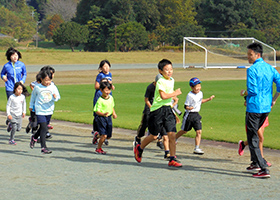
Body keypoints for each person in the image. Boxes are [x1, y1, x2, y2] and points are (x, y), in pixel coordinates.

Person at [240, 42, 280, 178]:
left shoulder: (251, 70)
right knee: (254, 135)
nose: (248, 57)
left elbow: (252, 90)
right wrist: (274, 99)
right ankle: (255, 162)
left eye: (250, 54)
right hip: (266, 107)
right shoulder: (270, 68)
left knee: (253, 138)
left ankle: (263, 168)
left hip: (254, 106)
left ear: (257, 55)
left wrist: (244, 93)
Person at [134, 59, 182, 167]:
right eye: (166, 70)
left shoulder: (172, 80)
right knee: (154, 136)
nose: (169, 72)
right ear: (160, 71)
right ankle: (139, 148)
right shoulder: (160, 81)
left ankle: (172, 159)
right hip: (157, 110)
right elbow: (163, 96)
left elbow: (168, 94)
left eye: (171, 69)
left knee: (172, 135)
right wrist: (175, 93)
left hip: (168, 109)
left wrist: (174, 97)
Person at [176, 77, 215, 155]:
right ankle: (174, 138)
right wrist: (189, 108)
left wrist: (208, 99)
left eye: (199, 86)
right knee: (185, 130)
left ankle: (197, 148)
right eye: (196, 87)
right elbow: (185, 106)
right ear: (192, 87)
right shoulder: (189, 95)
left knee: (199, 131)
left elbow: (200, 102)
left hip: (196, 114)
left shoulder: (200, 93)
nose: (198, 88)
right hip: (189, 114)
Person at [29, 68, 60, 154]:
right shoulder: (37, 87)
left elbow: (58, 97)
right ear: (41, 79)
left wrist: (55, 97)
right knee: (44, 127)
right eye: (46, 80)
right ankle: (43, 147)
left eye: (49, 80)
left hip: (49, 110)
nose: (47, 82)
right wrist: (31, 106)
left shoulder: (53, 87)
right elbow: (33, 97)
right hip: (40, 110)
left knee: (44, 127)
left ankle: (34, 137)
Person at [134, 74, 166, 150]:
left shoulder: (163, 87)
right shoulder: (150, 87)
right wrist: (151, 108)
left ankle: (159, 140)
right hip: (150, 107)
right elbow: (146, 99)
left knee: (160, 124)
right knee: (145, 124)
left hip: (159, 108)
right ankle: (138, 137)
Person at [238, 99, 271, 167]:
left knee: (257, 138)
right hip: (256, 114)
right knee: (260, 138)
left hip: (264, 113)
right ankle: (261, 159)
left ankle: (243, 144)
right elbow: (246, 102)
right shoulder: (254, 89)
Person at [92, 60, 115, 145]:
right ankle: (101, 134)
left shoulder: (110, 74)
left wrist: (111, 86)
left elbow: (109, 84)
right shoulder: (100, 75)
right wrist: (105, 84)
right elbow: (96, 86)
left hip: (108, 95)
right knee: (99, 115)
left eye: (108, 66)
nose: (106, 68)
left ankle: (101, 135)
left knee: (108, 116)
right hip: (100, 95)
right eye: (104, 66)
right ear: (101, 68)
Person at [93, 81, 117, 154]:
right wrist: (103, 114)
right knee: (104, 135)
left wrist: (114, 113)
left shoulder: (111, 98)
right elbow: (96, 111)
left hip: (108, 118)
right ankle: (98, 148)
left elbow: (112, 106)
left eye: (109, 90)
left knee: (108, 136)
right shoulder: (100, 100)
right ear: (101, 90)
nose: (107, 92)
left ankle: (97, 136)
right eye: (106, 90)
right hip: (101, 118)